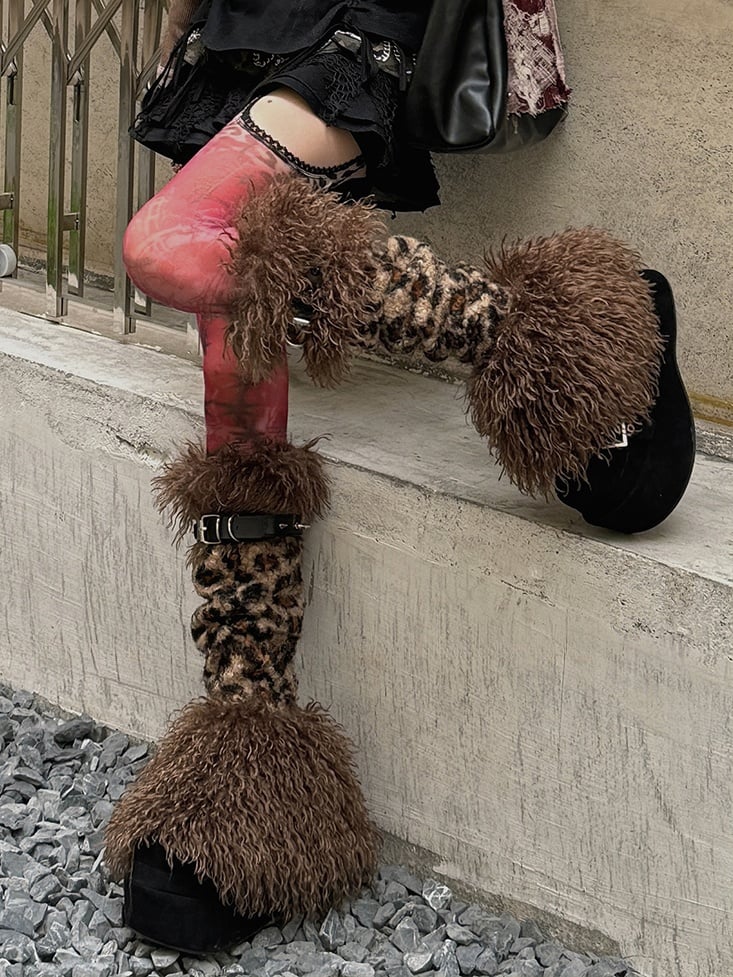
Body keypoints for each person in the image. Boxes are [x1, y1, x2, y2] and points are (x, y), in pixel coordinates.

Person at [106, 0, 695, 954]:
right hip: (242, 23)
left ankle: (548, 339)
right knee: (239, 383)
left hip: (341, 20)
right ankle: (246, 755)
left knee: (167, 242)